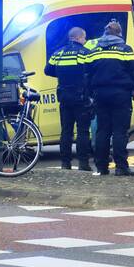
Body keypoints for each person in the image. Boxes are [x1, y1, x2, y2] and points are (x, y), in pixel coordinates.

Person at [81, 21, 134, 176]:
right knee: (120, 131)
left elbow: (86, 74)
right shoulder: (125, 50)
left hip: (100, 95)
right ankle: (121, 167)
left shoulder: (94, 51)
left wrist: (90, 93)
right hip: (121, 95)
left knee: (103, 131)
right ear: (119, 34)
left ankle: (102, 167)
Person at [44, 26, 93, 171]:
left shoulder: (58, 53)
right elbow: (91, 70)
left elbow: (48, 70)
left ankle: (65, 163)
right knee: (83, 131)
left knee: (66, 131)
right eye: (84, 38)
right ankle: (83, 164)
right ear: (79, 38)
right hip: (81, 96)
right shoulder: (84, 53)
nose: (85, 40)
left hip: (64, 96)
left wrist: (62, 75)